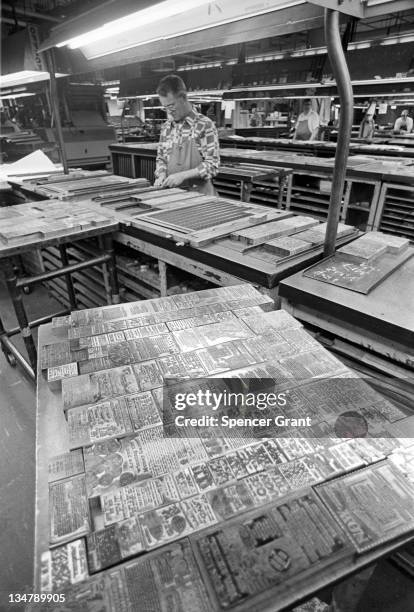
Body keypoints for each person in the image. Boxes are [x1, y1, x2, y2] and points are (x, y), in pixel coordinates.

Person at [154, 74, 219, 195]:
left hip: (201, 197)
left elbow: (212, 165)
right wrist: (161, 173)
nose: (169, 111)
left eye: (171, 105)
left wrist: (183, 176)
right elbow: (161, 158)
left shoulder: (204, 125)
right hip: (174, 196)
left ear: (183, 97)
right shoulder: (167, 128)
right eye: (165, 107)